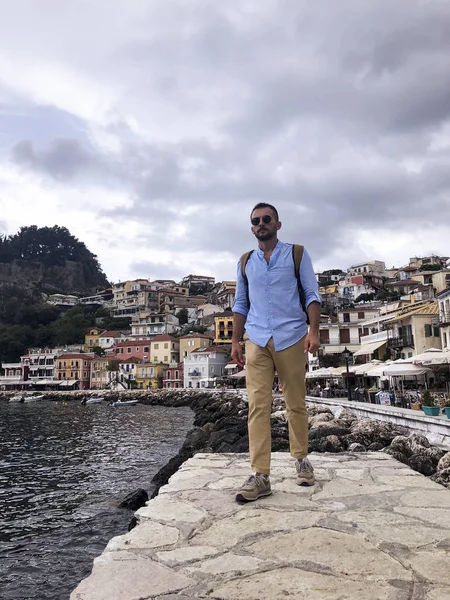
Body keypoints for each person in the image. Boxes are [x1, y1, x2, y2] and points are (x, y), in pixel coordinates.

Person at [231, 202, 321, 503]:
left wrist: (314, 332)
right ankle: (260, 475)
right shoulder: (245, 262)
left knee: (296, 402)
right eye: (255, 221)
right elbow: (240, 304)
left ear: (278, 225)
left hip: (292, 335)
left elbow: (311, 294)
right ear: (251, 227)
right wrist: (234, 342)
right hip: (255, 337)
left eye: (266, 219)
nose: (260, 224)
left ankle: (301, 460)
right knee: (258, 405)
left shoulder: (296, 253)